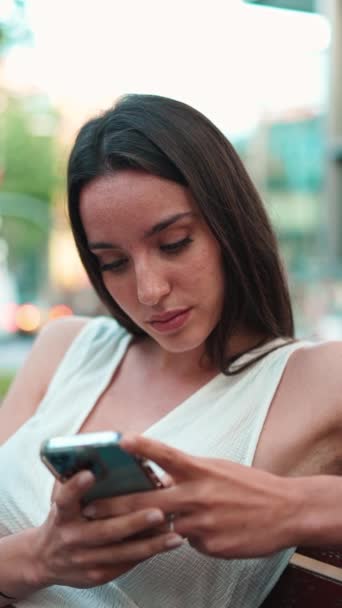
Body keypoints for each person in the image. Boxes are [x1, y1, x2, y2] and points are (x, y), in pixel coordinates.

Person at [0, 93, 341, 608]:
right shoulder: (64, 347)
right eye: (113, 262)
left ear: (230, 225)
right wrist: (40, 558)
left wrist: (297, 506)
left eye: (174, 243)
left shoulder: (315, 378)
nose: (149, 291)